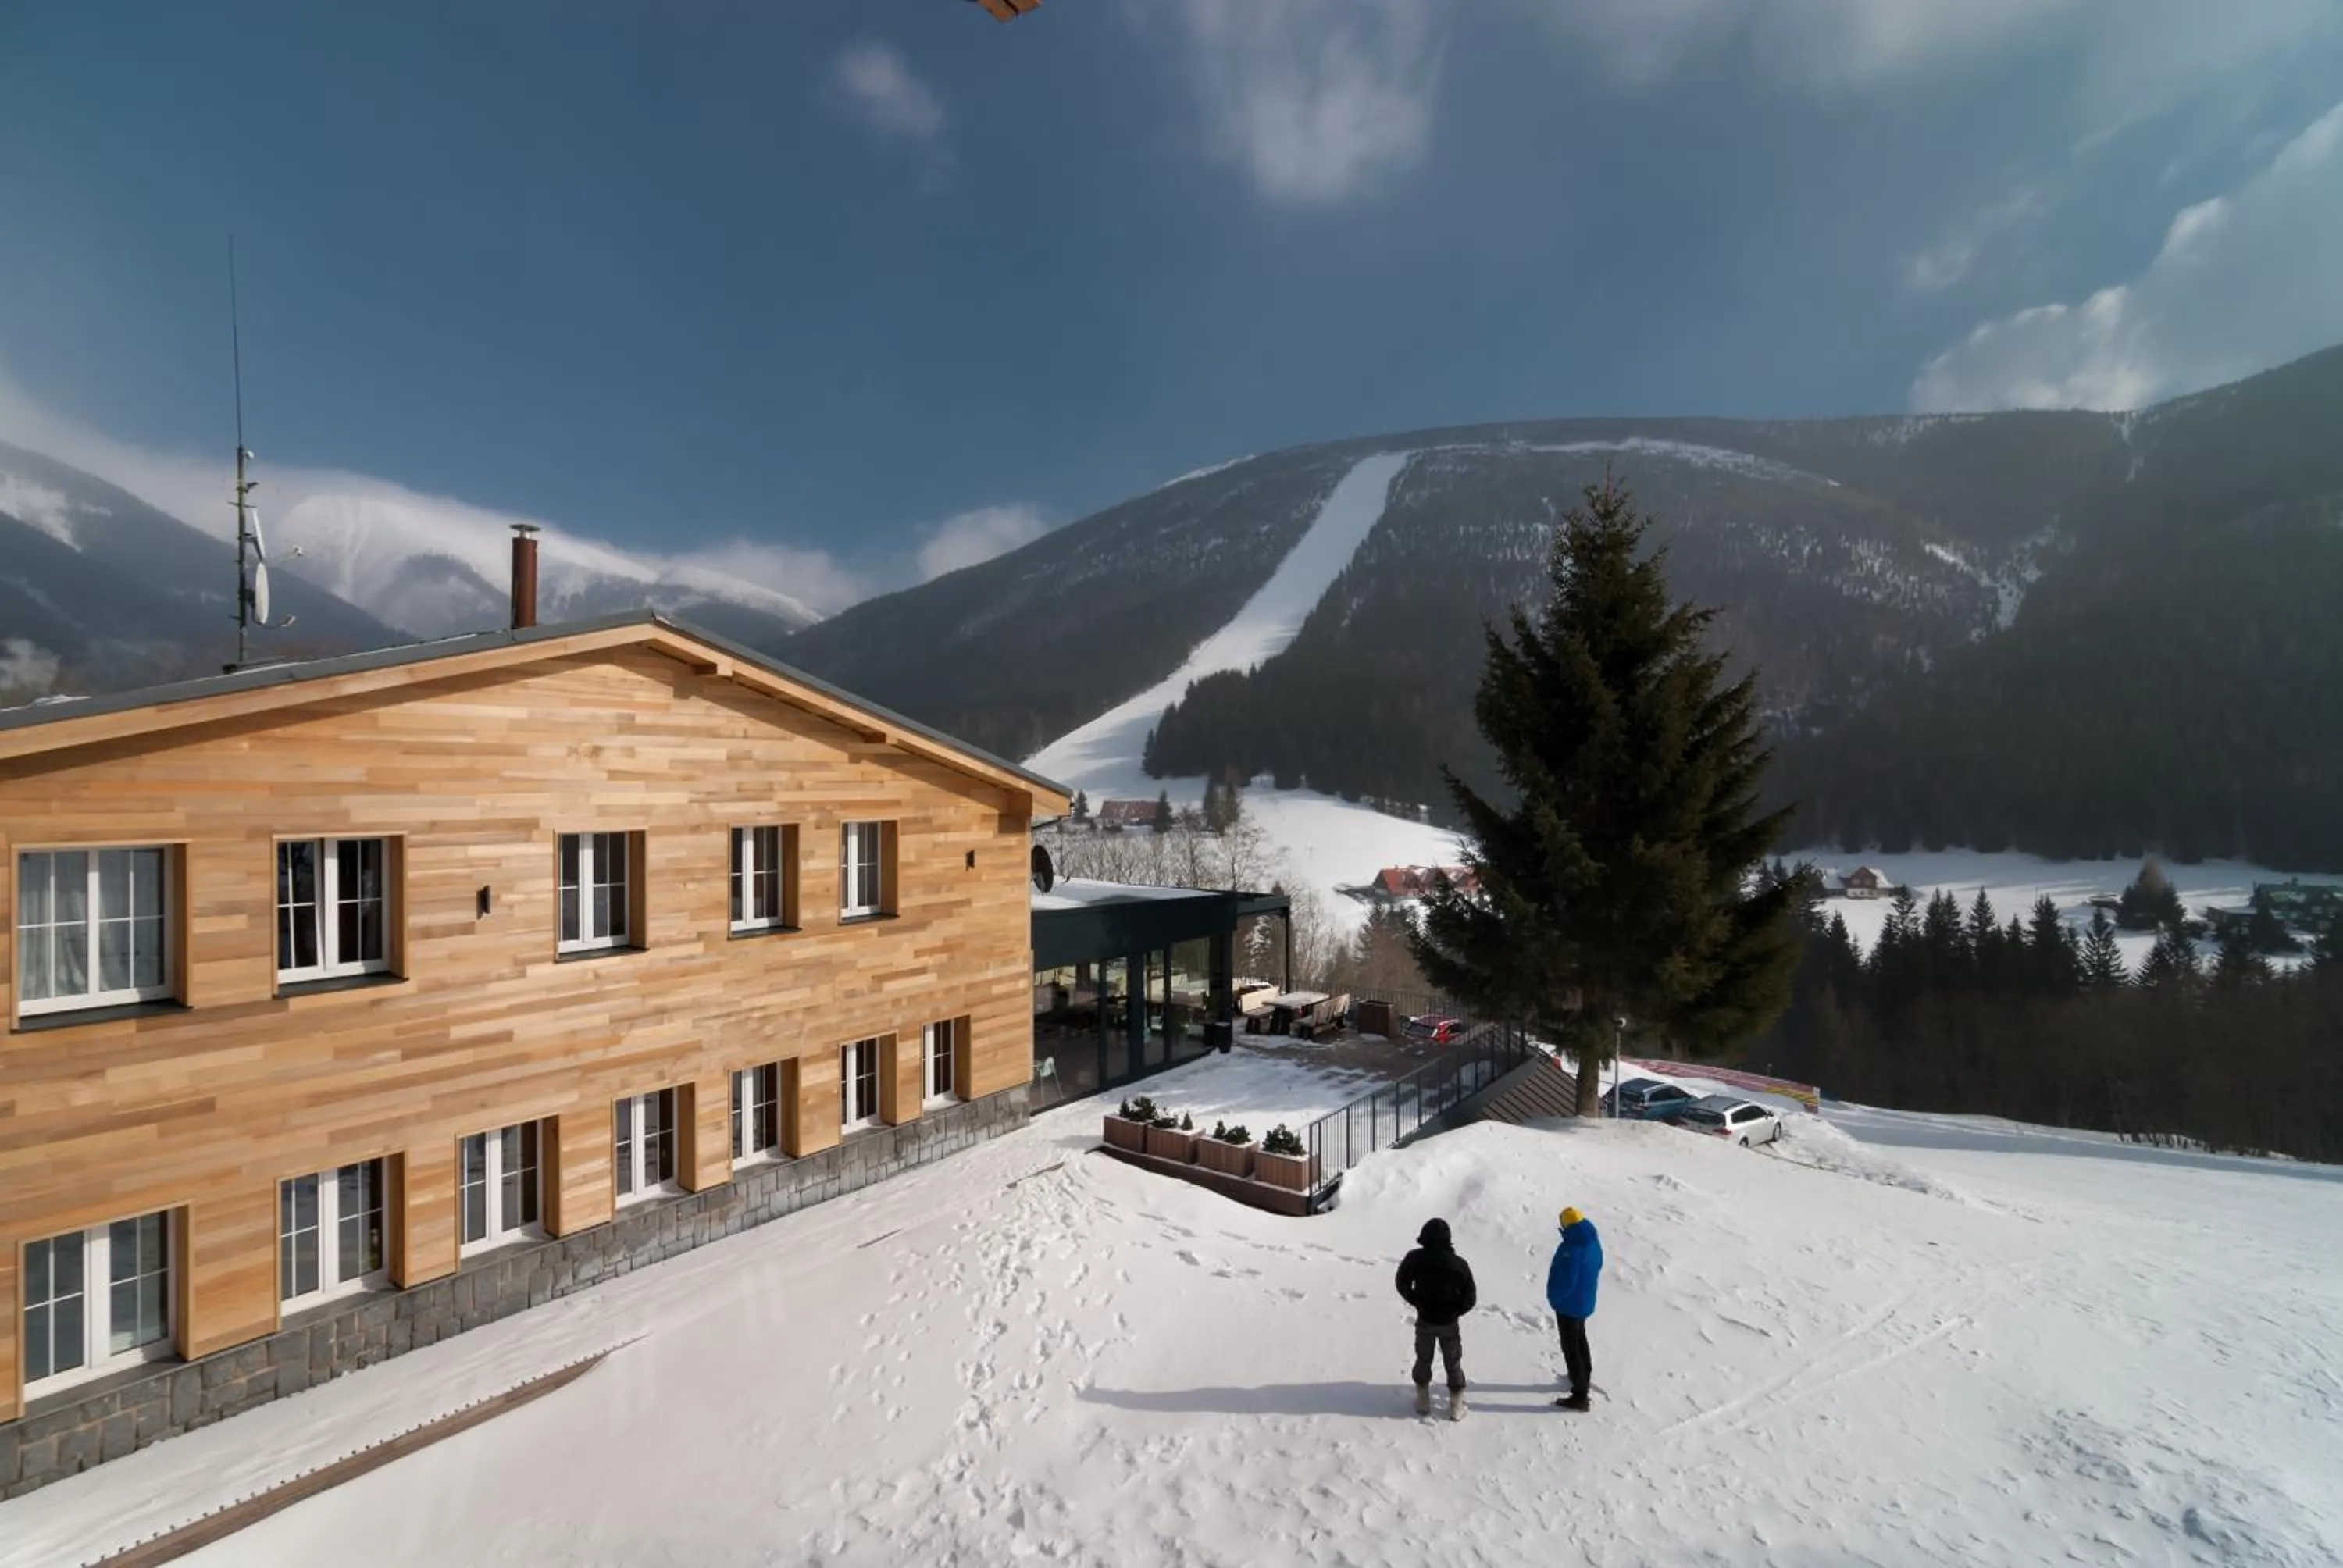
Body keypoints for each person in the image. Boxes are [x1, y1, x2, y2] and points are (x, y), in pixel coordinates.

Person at [1396, 1217, 1478, 1420]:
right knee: (1453, 1360)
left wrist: (1415, 1300)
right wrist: (1455, 1311)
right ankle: (1457, 1404)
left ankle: (1423, 1399)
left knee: (1423, 1358)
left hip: (1425, 1320)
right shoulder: (1459, 1264)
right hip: (1449, 1323)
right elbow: (1470, 1297)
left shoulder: (1415, 1258)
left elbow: (1401, 1281)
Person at [1546, 1206, 1603, 1411]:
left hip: (1569, 1306)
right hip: (1584, 1301)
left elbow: (1566, 1282)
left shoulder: (1572, 1249)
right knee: (1580, 1339)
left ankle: (1579, 1395)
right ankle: (1583, 1376)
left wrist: (1554, 1298)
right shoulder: (1592, 1241)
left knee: (1571, 1347)